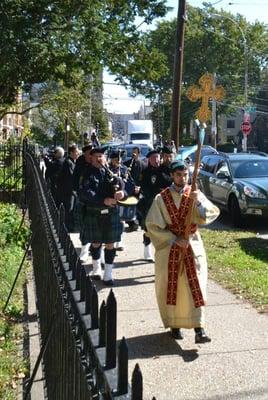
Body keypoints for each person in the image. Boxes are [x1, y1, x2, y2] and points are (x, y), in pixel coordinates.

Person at [145, 160, 220, 343]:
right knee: (172, 287)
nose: (182, 177)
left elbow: (210, 213)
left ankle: (199, 329)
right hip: (170, 248)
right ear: (172, 175)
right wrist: (173, 239)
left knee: (196, 286)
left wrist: (198, 204)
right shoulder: (161, 198)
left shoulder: (194, 193)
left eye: (185, 174)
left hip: (192, 245)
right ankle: (175, 325)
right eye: (178, 174)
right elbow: (152, 225)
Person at [78, 147, 127, 285]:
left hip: (111, 213)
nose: (100, 158)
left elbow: (123, 187)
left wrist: (122, 194)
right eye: (97, 156)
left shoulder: (109, 173)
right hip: (94, 212)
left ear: (105, 158)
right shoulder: (87, 174)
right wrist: (103, 200)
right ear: (91, 158)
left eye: (102, 156)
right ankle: (96, 268)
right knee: (96, 242)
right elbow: (85, 193)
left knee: (110, 243)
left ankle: (108, 274)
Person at [138, 149, 162, 261]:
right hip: (149, 203)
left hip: (163, 204)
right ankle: (147, 250)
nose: (156, 160)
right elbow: (142, 186)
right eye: (153, 158)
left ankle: (160, 251)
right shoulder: (145, 171)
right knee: (148, 227)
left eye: (157, 157)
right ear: (149, 159)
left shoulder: (164, 170)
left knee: (162, 228)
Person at [56, 144, 80, 231]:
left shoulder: (71, 162)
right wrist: (75, 190)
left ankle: (68, 226)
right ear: (71, 152)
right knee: (68, 209)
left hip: (67, 191)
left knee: (70, 209)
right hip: (67, 191)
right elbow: (71, 178)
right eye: (76, 152)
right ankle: (66, 227)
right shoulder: (69, 163)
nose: (78, 154)